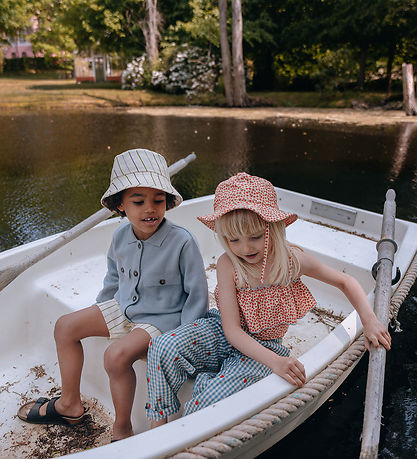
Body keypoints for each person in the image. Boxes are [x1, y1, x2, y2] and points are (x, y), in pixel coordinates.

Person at [145, 172, 391, 427]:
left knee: (209, 403)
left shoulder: (291, 260)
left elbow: (345, 281)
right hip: (223, 330)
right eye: (234, 240)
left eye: (255, 237)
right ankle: (158, 428)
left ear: (272, 228)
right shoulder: (228, 264)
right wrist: (277, 364)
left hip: (265, 347)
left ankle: (194, 416)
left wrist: (369, 320)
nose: (245, 248)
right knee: (162, 347)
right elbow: (231, 330)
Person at [17, 148, 208, 441]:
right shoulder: (120, 235)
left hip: (164, 320)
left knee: (115, 356)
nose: (150, 209)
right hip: (124, 306)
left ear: (168, 202)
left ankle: (122, 428)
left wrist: (183, 340)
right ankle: (69, 403)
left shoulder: (182, 241)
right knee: (65, 326)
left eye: (158, 200)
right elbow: (113, 277)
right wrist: (99, 313)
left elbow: (196, 294)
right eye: (138, 201)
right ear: (120, 204)